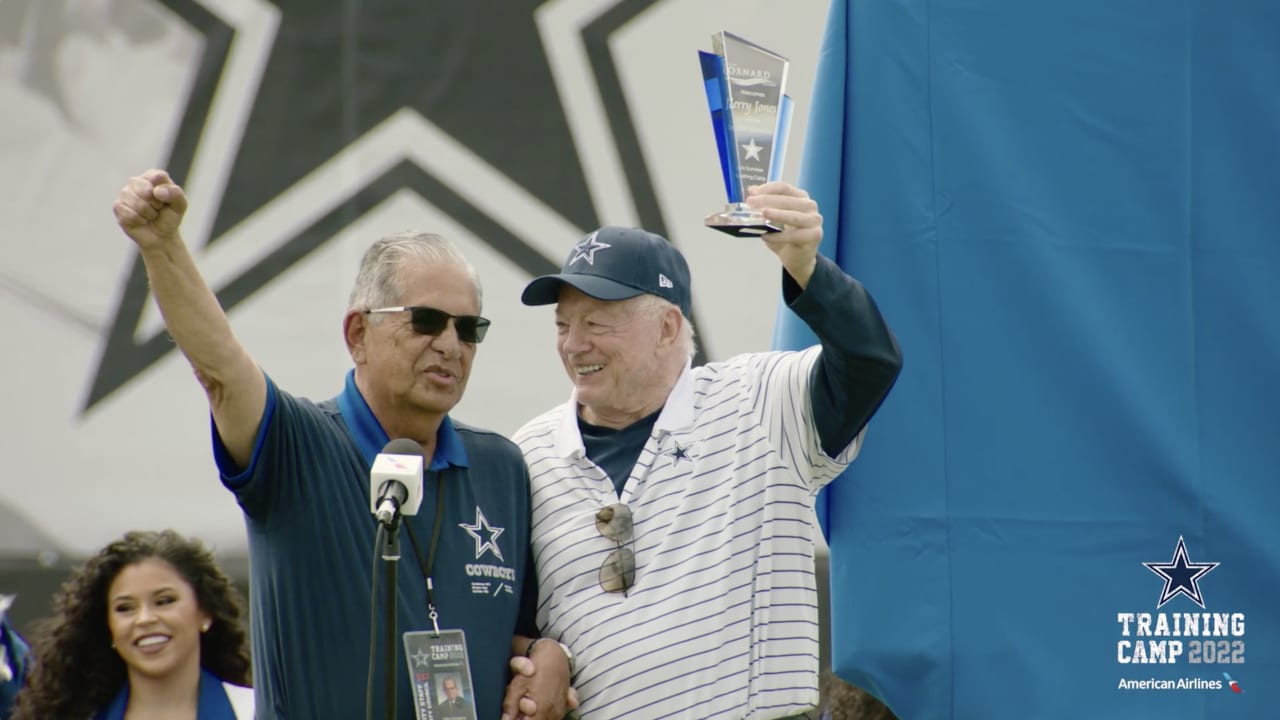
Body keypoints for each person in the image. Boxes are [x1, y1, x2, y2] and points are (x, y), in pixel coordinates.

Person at [111, 170, 572, 720]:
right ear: (358, 334)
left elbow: (521, 636)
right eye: (426, 321)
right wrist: (163, 247)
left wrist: (551, 655)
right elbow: (220, 369)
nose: (450, 344)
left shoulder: (502, 467)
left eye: (469, 328)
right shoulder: (296, 445)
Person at [511, 182, 902, 719]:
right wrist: (539, 651)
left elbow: (870, 359)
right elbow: (503, 617)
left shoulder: (761, 399)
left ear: (668, 327)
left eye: (597, 324)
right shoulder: (525, 455)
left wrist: (806, 266)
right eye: (563, 325)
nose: (575, 345)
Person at [9, 529, 253, 720]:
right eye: (125, 608)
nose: (145, 619)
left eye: (164, 601)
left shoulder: (258, 712)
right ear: (108, 627)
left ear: (205, 612)